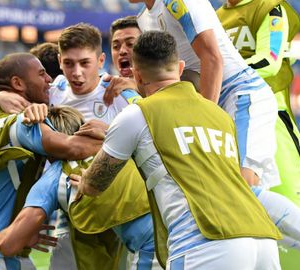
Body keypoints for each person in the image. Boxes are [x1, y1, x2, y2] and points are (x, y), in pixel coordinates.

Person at [74, 30, 282, 269]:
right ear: (180, 68)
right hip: (261, 238)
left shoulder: (137, 114)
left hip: (206, 239)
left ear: (138, 76)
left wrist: (83, 181)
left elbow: (93, 185)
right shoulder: (219, 114)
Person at [0, 53, 104, 270]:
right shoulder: (23, 122)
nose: (49, 80)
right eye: (41, 74)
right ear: (17, 83)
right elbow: (71, 147)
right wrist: (121, 139)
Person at [131, 0, 278, 190]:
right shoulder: (143, 19)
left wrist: (205, 122)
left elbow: (213, 58)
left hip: (239, 94)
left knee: (242, 184)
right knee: (221, 189)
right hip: (203, 102)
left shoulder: (180, 2)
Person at [0, 105, 160, 269]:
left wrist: (16, 234)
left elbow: (8, 245)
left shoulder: (54, 178)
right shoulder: (117, 141)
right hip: (178, 221)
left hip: (153, 247)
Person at [216, 0, 300, 218]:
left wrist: (221, 77)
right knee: (241, 211)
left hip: (269, 117)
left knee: (299, 213)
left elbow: (270, 60)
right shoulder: (215, 17)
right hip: (225, 120)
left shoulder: (269, 7)